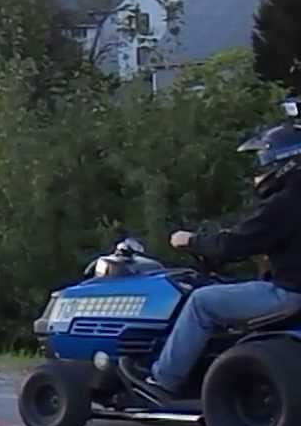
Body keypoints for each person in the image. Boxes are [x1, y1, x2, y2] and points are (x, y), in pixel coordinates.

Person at [124, 118, 301, 402]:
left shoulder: (286, 202)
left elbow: (235, 244)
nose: (259, 171)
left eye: (263, 162)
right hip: (291, 289)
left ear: (283, 162)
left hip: (289, 293)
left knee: (201, 301)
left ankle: (162, 382)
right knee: (224, 291)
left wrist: (191, 240)